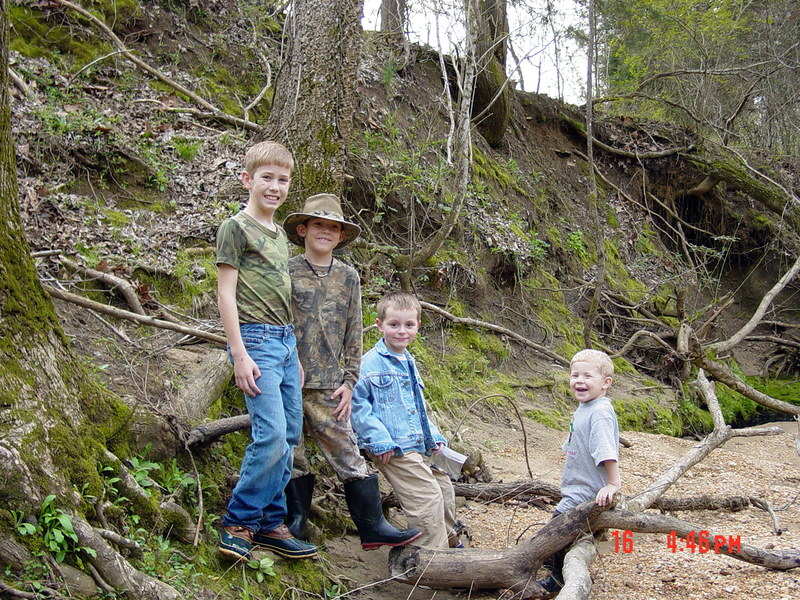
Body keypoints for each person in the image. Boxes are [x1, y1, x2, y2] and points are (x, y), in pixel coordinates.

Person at [282, 193, 421, 550]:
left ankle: (373, 527)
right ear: (303, 229)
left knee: (348, 455)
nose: (325, 232)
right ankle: (294, 523)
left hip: (330, 387)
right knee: (291, 453)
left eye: (333, 227)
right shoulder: (287, 270)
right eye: (318, 225)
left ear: (341, 235)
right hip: (289, 380)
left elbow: (354, 332)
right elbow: (279, 322)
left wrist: (349, 381)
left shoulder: (348, 277)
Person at [215, 141, 318, 562]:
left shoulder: (278, 235)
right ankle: (238, 521)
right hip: (254, 341)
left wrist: (293, 354)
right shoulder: (235, 228)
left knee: (290, 436)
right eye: (267, 178)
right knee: (271, 434)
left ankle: (272, 522)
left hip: (283, 342)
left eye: (282, 179)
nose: (275, 186)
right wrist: (239, 353)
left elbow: (284, 300)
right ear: (247, 179)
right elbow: (225, 294)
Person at [350, 291, 460, 550]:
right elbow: (358, 407)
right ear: (379, 325)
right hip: (394, 448)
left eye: (409, 325)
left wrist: (435, 439)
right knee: (426, 498)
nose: (402, 331)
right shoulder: (369, 364)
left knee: (444, 488)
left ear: (417, 326)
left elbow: (418, 408)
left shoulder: (408, 361)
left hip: (419, 444)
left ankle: (450, 545)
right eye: (394, 324)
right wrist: (379, 441)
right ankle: (430, 560)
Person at [537, 348, 620, 596]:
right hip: (574, 487)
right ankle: (550, 557)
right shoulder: (584, 408)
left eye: (587, 376)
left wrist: (613, 484)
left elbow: (607, 451)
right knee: (553, 535)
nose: (579, 381)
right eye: (575, 376)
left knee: (557, 529)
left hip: (587, 493)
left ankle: (558, 579)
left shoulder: (600, 412)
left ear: (605, 383)